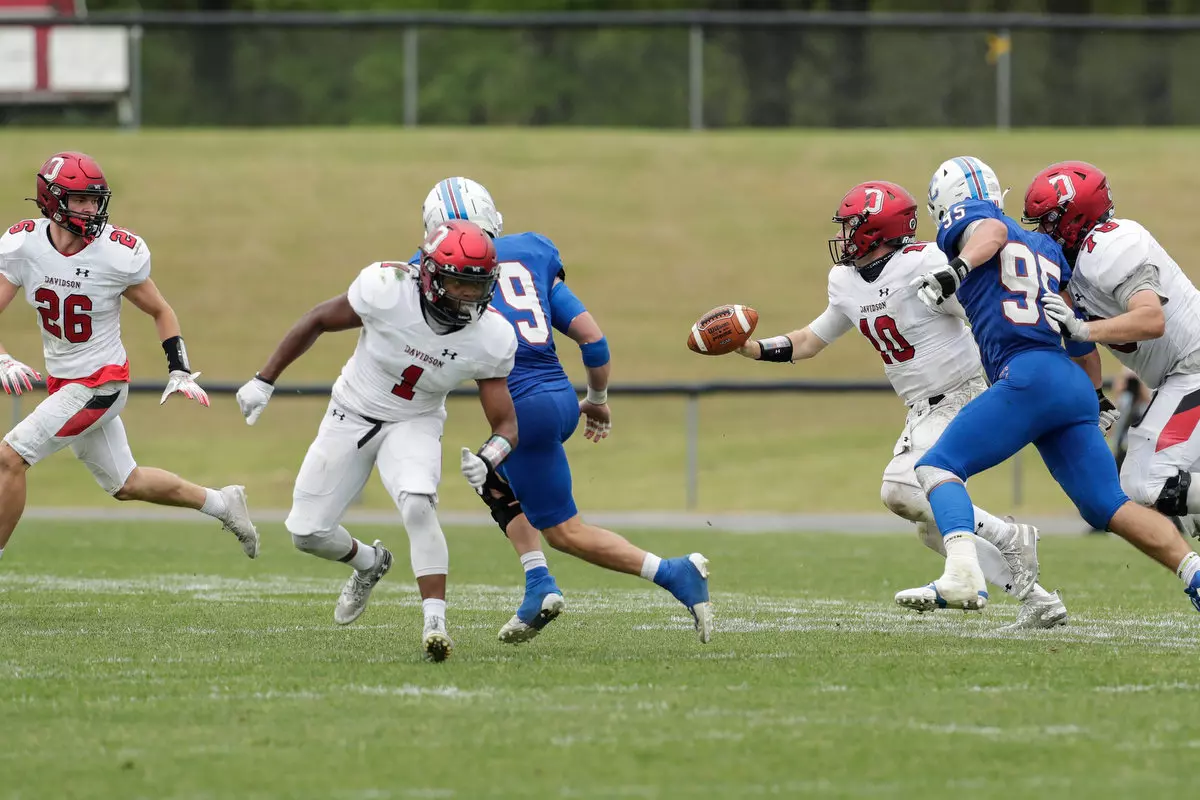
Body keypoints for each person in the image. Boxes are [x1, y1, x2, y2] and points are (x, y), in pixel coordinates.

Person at [733, 180, 1063, 629]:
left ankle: (1009, 536)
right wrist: (752, 349)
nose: (844, 236)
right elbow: (810, 340)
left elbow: (982, 312)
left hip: (964, 390)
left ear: (877, 229)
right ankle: (1039, 600)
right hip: (922, 407)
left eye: (852, 225)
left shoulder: (923, 263)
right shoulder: (845, 281)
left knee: (902, 488)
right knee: (931, 526)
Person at [418, 177, 712, 645]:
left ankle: (676, 573)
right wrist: (596, 401)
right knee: (494, 482)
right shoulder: (531, 253)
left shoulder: (437, 268)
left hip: (521, 413)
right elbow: (594, 341)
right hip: (559, 399)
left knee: (565, 532)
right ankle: (538, 585)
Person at [901, 156, 1200, 613]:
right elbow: (1076, 334)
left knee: (937, 467)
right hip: (1069, 383)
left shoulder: (981, 227)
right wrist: (1093, 392)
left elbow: (995, 233)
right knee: (1111, 504)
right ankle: (1194, 574)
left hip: (1032, 376)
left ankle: (962, 573)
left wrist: (956, 269)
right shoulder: (1048, 250)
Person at [235, 220, 518, 661]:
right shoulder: (387, 290)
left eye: (475, 285)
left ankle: (435, 624)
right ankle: (369, 563)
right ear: (428, 273)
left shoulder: (491, 335)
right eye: (458, 283)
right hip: (350, 412)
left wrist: (489, 456)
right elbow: (317, 320)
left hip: (415, 420)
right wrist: (264, 380)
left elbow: (506, 425)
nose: (467, 296)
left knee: (418, 502)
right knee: (306, 533)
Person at [0, 151, 258, 562]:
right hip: (65, 383)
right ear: (51, 199)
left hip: (101, 382)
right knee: (127, 483)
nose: (91, 209)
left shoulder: (115, 253)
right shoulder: (24, 244)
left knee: (10, 458)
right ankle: (223, 503)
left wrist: (179, 369)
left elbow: (161, 310)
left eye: (95, 200)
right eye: (80, 200)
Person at [1024, 161, 1200, 541]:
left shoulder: (1110, 243)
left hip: (1194, 367)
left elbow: (1151, 318)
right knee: (1174, 493)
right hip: (1180, 375)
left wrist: (1084, 326)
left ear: (1075, 215)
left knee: (1146, 481)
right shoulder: (1073, 266)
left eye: (1050, 220)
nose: (1042, 231)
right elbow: (1082, 345)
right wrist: (1096, 397)